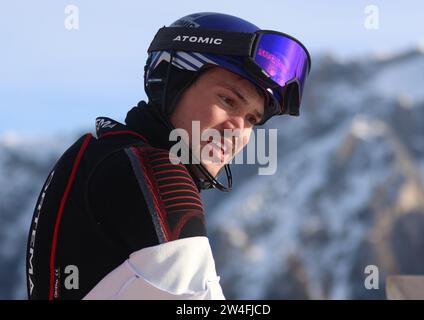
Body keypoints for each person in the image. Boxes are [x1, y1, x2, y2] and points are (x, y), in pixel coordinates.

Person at [25, 12, 311, 300]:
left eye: (251, 119)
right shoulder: (158, 176)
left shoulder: (98, 153)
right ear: (172, 82)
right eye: (227, 100)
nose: (238, 129)